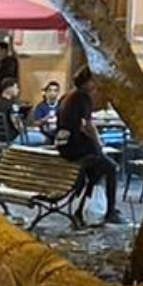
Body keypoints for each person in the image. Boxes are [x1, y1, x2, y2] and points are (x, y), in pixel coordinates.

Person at [56, 68, 123, 226]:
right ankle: (110, 211)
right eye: (93, 80)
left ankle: (81, 210)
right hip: (77, 147)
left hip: (64, 146)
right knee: (111, 167)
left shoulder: (68, 96)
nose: (95, 84)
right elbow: (88, 124)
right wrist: (98, 143)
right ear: (87, 82)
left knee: (96, 171)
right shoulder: (83, 97)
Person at [24, 79, 61, 146]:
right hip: (45, 134)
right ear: (46, 92)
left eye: (55, 90)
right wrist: (46, 118)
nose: (53, 93)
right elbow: (36, 123)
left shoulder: (61, 105)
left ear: (58, 93)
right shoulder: (40, 106)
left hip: (58, 133)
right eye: (50, 90)